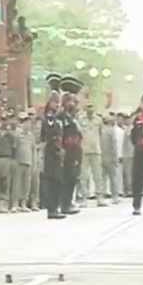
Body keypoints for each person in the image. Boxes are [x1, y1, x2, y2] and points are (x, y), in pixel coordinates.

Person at [57, 76, 84, 215]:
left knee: (73, 178)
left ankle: (68, 203)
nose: (74, 104)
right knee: (68, 178)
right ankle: (65, 204)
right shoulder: (62, 117)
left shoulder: (73, 119)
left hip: (75, 151)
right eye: (71, 101)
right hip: (67, 151)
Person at [41, 87, 66, 219]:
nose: (57, 105)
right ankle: (52, 209)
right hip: (51, 153)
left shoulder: (56, 118)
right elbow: (50, 135)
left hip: (57, 153)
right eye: (55, 102)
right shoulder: (49, 118)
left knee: (57, 181)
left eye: (58, 102)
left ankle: (55, 207)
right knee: (53, 181)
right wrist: (57, 149)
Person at [79, 103, 106, 207]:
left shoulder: (98, 120)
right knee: (84, 176)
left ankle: (100, 197)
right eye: (88, 106)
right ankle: (84, 198)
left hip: (96, 150)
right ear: (85, 108)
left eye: (92, 106)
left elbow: (101, 134)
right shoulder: (81, 119)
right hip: (84, 150)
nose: (90, 108)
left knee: (98, 175)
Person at [0, 113, 16, 213]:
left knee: (5, 181)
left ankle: (4, 203)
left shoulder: (10, 135)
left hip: (6, 158)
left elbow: (14, 146)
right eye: (2, 119)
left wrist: (8, 132)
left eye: (5, 120)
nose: (3, 122)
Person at [13, 111, 35, 212]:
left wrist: (33, 163)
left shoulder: (31, 136)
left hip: (28, 161)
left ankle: (23, 204)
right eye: (25, 122)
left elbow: (33, 149)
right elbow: (14, 147)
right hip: (19, 161)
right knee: (17, 183)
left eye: (29, 123)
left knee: (26, 184)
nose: (27, 125)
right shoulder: (17, 134)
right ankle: (15, 204)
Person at [101, 113, 120, 205]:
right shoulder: (111, 131)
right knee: (113, 178)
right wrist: (115, 158)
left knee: (102, 179)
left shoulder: (100, 130)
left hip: (101, 157)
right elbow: (114, 145)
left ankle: (102, 196)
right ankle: (115, 197)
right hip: (110, 157)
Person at [28, 107, 42, 211]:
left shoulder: (40, 126)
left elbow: (45, 140)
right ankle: (26, 201)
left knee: (35, 178)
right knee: (27, 178)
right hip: (26, 152)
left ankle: (35, 201)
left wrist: (38, 147)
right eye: (29, 114)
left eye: (32, 114)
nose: (30, 116)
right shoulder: (24, 126)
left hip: (37, 152)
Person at [122, 113, 134, 197]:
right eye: (125, 119)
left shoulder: (132, 129)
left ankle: (130, 190)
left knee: (131, 173)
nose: (127, 120)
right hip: (125, 154)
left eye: (128, 119)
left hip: (132, 153)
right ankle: (127, 189)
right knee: (126, 173)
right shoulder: (123, 129)